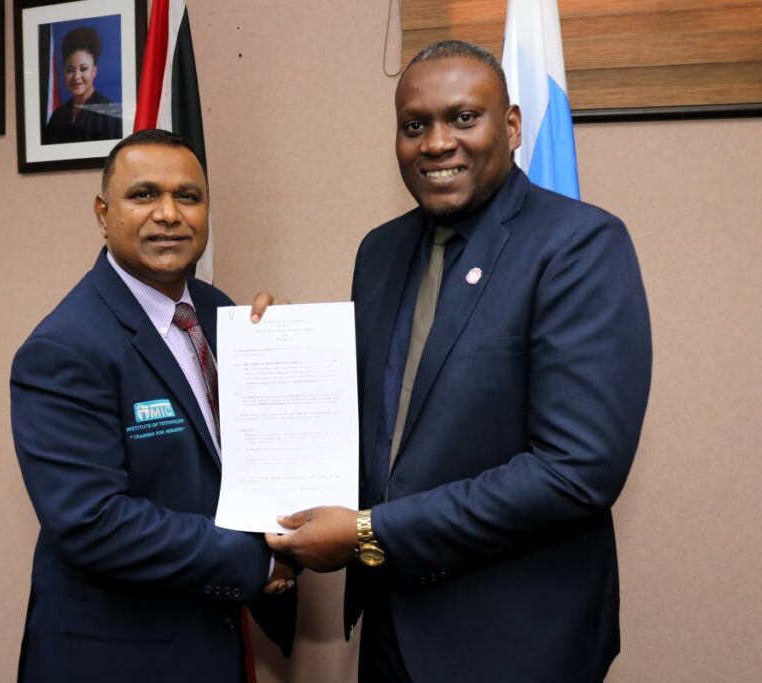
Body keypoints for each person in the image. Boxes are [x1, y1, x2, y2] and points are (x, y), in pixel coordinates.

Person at [266, 40, 652, 682]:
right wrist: (277, 347)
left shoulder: (579, 245)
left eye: (463, 118)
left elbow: (575, 472)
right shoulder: (381, 252)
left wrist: (369, 532)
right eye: (414, 125)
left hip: (515, 638)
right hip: (391, 627)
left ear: (512, 125)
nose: (436, 142)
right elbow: (379, 423)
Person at [11, 128, 295, 682]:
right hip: (117, 656)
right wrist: (257, 561)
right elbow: (93, 522)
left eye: (188, 196)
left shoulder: (220, 313)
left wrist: (286, 356)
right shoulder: (63, 348)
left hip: (213, 641)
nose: (168, 213)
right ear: (102, 213)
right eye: (144, 195)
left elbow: (244, 459)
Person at [43, 26, 122, 145]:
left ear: (94, 71)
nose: (76, 77)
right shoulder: (58, 116)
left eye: (83, 69)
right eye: (70, 70)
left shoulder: (112, 113)